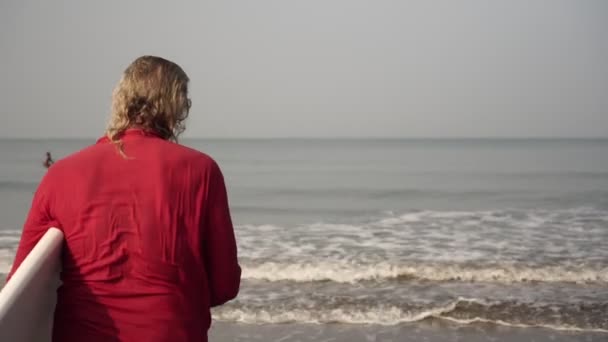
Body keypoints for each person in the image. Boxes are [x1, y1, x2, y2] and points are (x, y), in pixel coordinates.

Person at [7, 56, 241, 342]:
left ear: (120, 99)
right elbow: (224, 285)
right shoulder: (201, 170)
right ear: (176, 105)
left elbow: (21, 286)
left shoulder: (60, 175)